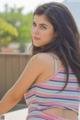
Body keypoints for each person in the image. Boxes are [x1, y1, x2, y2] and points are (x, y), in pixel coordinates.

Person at [0, 2, 80, 120]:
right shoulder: (75, 64)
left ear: (58, 32)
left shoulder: (42, 60)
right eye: (34, 24)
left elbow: (14, 96)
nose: (35, 31)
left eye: (43, 27)